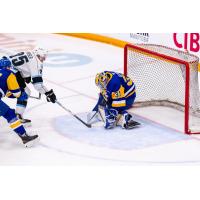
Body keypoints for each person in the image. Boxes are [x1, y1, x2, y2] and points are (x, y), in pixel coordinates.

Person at [2, 47, 57, 125]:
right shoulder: (36, 63)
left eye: (45, 56)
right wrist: (48, 93)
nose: (44, 59)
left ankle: (8, 92)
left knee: (20, 90)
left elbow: (15, 61)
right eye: (42, 56)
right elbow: (38, 85)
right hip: (9, 73)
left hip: (3, 67)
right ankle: (18, 116)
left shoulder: (29, 52)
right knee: (25, 93)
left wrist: (25, 75)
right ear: (38, 55)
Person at [0, 58, 39, 147]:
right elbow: (16, 93)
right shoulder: (9, 73)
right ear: (8, 67)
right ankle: (24, 137)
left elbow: (5, 92)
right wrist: (21, 93)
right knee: (10, 114)